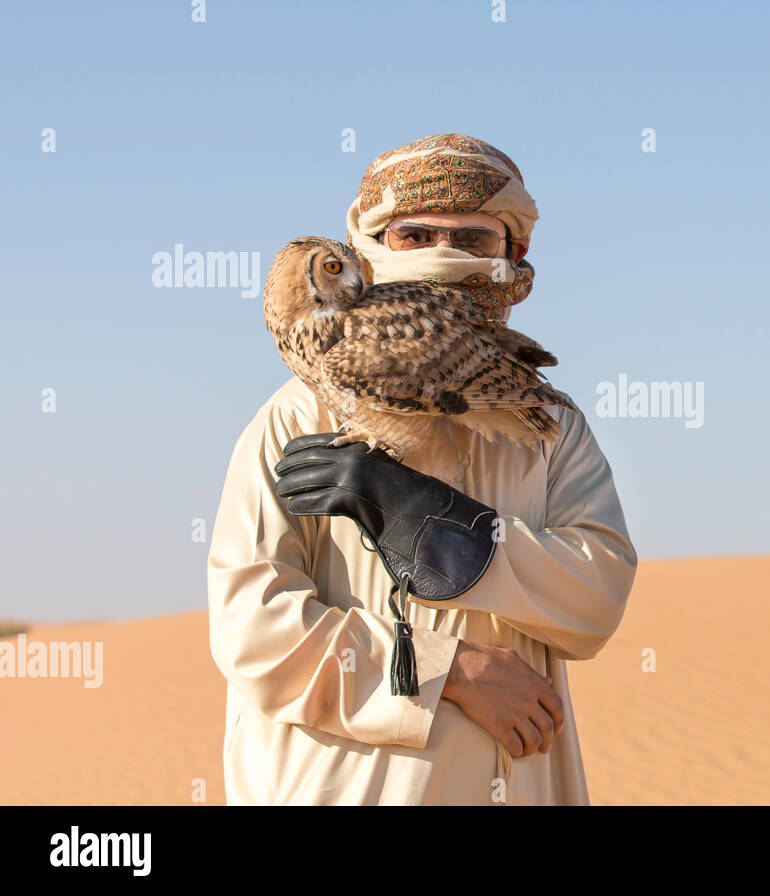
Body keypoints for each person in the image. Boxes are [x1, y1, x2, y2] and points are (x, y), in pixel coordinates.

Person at [207, 134, 637, 805]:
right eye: (416, 234)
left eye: (472, 239)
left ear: (513, 252)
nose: (444, 254)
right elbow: (253, 632)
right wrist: (444, 671)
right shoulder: (298, 416)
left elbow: (598, 596)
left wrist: (448, 535)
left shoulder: (545, 423)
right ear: (370, 245)